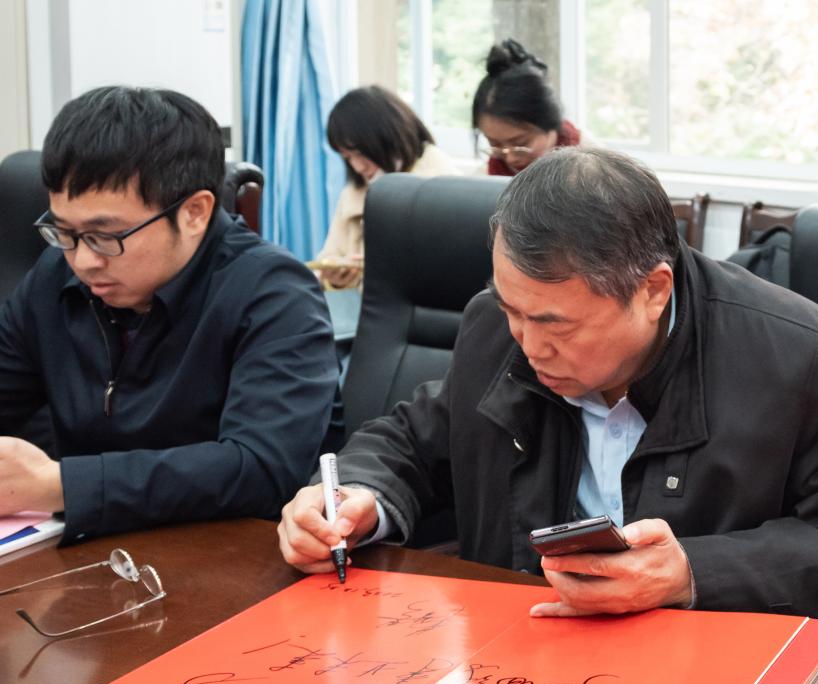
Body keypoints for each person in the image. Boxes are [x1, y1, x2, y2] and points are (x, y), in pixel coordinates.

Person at [278, 147, 818, 624]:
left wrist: (691, 573)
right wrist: (356, 498)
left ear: (653, 291)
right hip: (522, 665)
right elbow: (417, 440)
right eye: (512, 310)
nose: (529, 346)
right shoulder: (496, 329)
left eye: (555, 324)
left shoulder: (799, 357)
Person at [0, 86, 341, 542]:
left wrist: (58, 485)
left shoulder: (275, 293)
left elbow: (261, 470)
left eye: (106, 236)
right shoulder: (55, 276)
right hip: (94, 551)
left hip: (232, 558)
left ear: (194, 212)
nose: (83, 260)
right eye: (63, 232)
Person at [315, 85, 457, 289]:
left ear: (388, 137)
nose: (358, 166)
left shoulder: (441, 184)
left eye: (360, 153)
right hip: (370, 305)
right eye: (348, 158)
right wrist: (334, 278)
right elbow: (329, 258)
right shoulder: (354, 193)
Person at [473, 39, 582, 177]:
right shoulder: (487, 177)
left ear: (551, 123)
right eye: (495, 144)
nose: (510, 158)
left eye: (521, 144)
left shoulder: (591, 170)